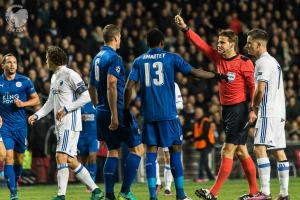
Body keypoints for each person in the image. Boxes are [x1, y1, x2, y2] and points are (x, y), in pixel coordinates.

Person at [123, 28, 227, 200]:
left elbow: (128, 88)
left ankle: (152, 197)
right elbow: (194, 73)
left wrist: (126, 110)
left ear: (147, 44)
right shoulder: (171, 57)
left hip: (149, 116)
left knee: (151, 153)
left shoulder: (139, 61)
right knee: (175, 150)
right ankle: (179, 194)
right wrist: (215, 75)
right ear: (162, 43)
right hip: (169, 115)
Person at [175, 15, 259, 200]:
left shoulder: (244, 63)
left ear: (232, 44)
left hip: (240, 110)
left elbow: (253, 87)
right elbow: (201, 45)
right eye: (218, 42)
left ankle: (213, 193)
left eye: (222, 42)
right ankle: (254, 193)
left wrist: (253, 109)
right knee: (240, 150)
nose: (218, 45)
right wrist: (185, 28)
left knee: (226, 150)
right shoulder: (218, 58)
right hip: (227, 110)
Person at [28, 46, 103, 200]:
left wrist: (67, 108)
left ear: (54, 58)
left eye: (47, 57)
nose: (46, 61)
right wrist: (37, 115)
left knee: (60, 156)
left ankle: (61, 196)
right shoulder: (55, 77)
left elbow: (86, 97)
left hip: (70, 123)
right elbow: (50, 102)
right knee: (70, 160)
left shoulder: (71, 75)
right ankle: (96, 191)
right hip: (61, 124)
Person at [88, 24, 144, 200]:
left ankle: (109, 195)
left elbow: (91, 87)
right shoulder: (114, 58)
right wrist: (114, 114)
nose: (121, 40)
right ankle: (126, 191)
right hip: (116, 110)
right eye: (120, 37)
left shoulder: (96, 58)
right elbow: (112, 85)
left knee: (113, 151)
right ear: (116, 37)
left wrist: (98, 107)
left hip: (101, 110)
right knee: (138, 149)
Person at [246, 28, 290, 200]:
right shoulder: (274, 62)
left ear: (258, 44)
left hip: (267, 112)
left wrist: (254, 109)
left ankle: (265, 193)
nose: (247, 46)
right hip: (279, 112)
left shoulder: (262, 62)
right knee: (279, 151)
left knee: (258, 148)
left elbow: (260, 90)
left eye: (249, 43)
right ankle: (284, 194)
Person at [0, 53, 40, 200]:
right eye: (9, 62)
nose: (12, 65)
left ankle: (14, 182)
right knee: (7, 157)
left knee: (19, 159)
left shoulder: (25, 81)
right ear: (2, 65)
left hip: (20, 127)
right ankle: (13, 193)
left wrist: (23, 104)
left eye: (14, 62)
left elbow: (35, 100)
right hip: (4, 127)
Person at [155, 82, 183, 196]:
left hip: (169, 123)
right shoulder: (152, 85)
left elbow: (180, 105)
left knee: (168, 156)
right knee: (152, 153)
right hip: (154, 121)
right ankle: (157, 182)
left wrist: (165, 107)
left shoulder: (174, 84)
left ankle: (168, 186)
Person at [77, 101, 98, 187]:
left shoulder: (97, 103)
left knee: (92, 157)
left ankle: (92, 181)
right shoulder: (78, 103)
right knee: (83, 161)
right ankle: (87, 181)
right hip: (81, 136)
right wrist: (78, 118)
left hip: (93, 136)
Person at [193, 107, 215, 182]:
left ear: (202, 113)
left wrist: (195, 138)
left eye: (198, 112)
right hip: (203, 144)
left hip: (208, 144)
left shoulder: (206, 121)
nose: (197, 113)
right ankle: (211, 177)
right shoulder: (197, 121)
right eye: (196, 112)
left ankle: (200, 177)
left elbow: (205, 134)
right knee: (204, 162)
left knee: (202, 161)